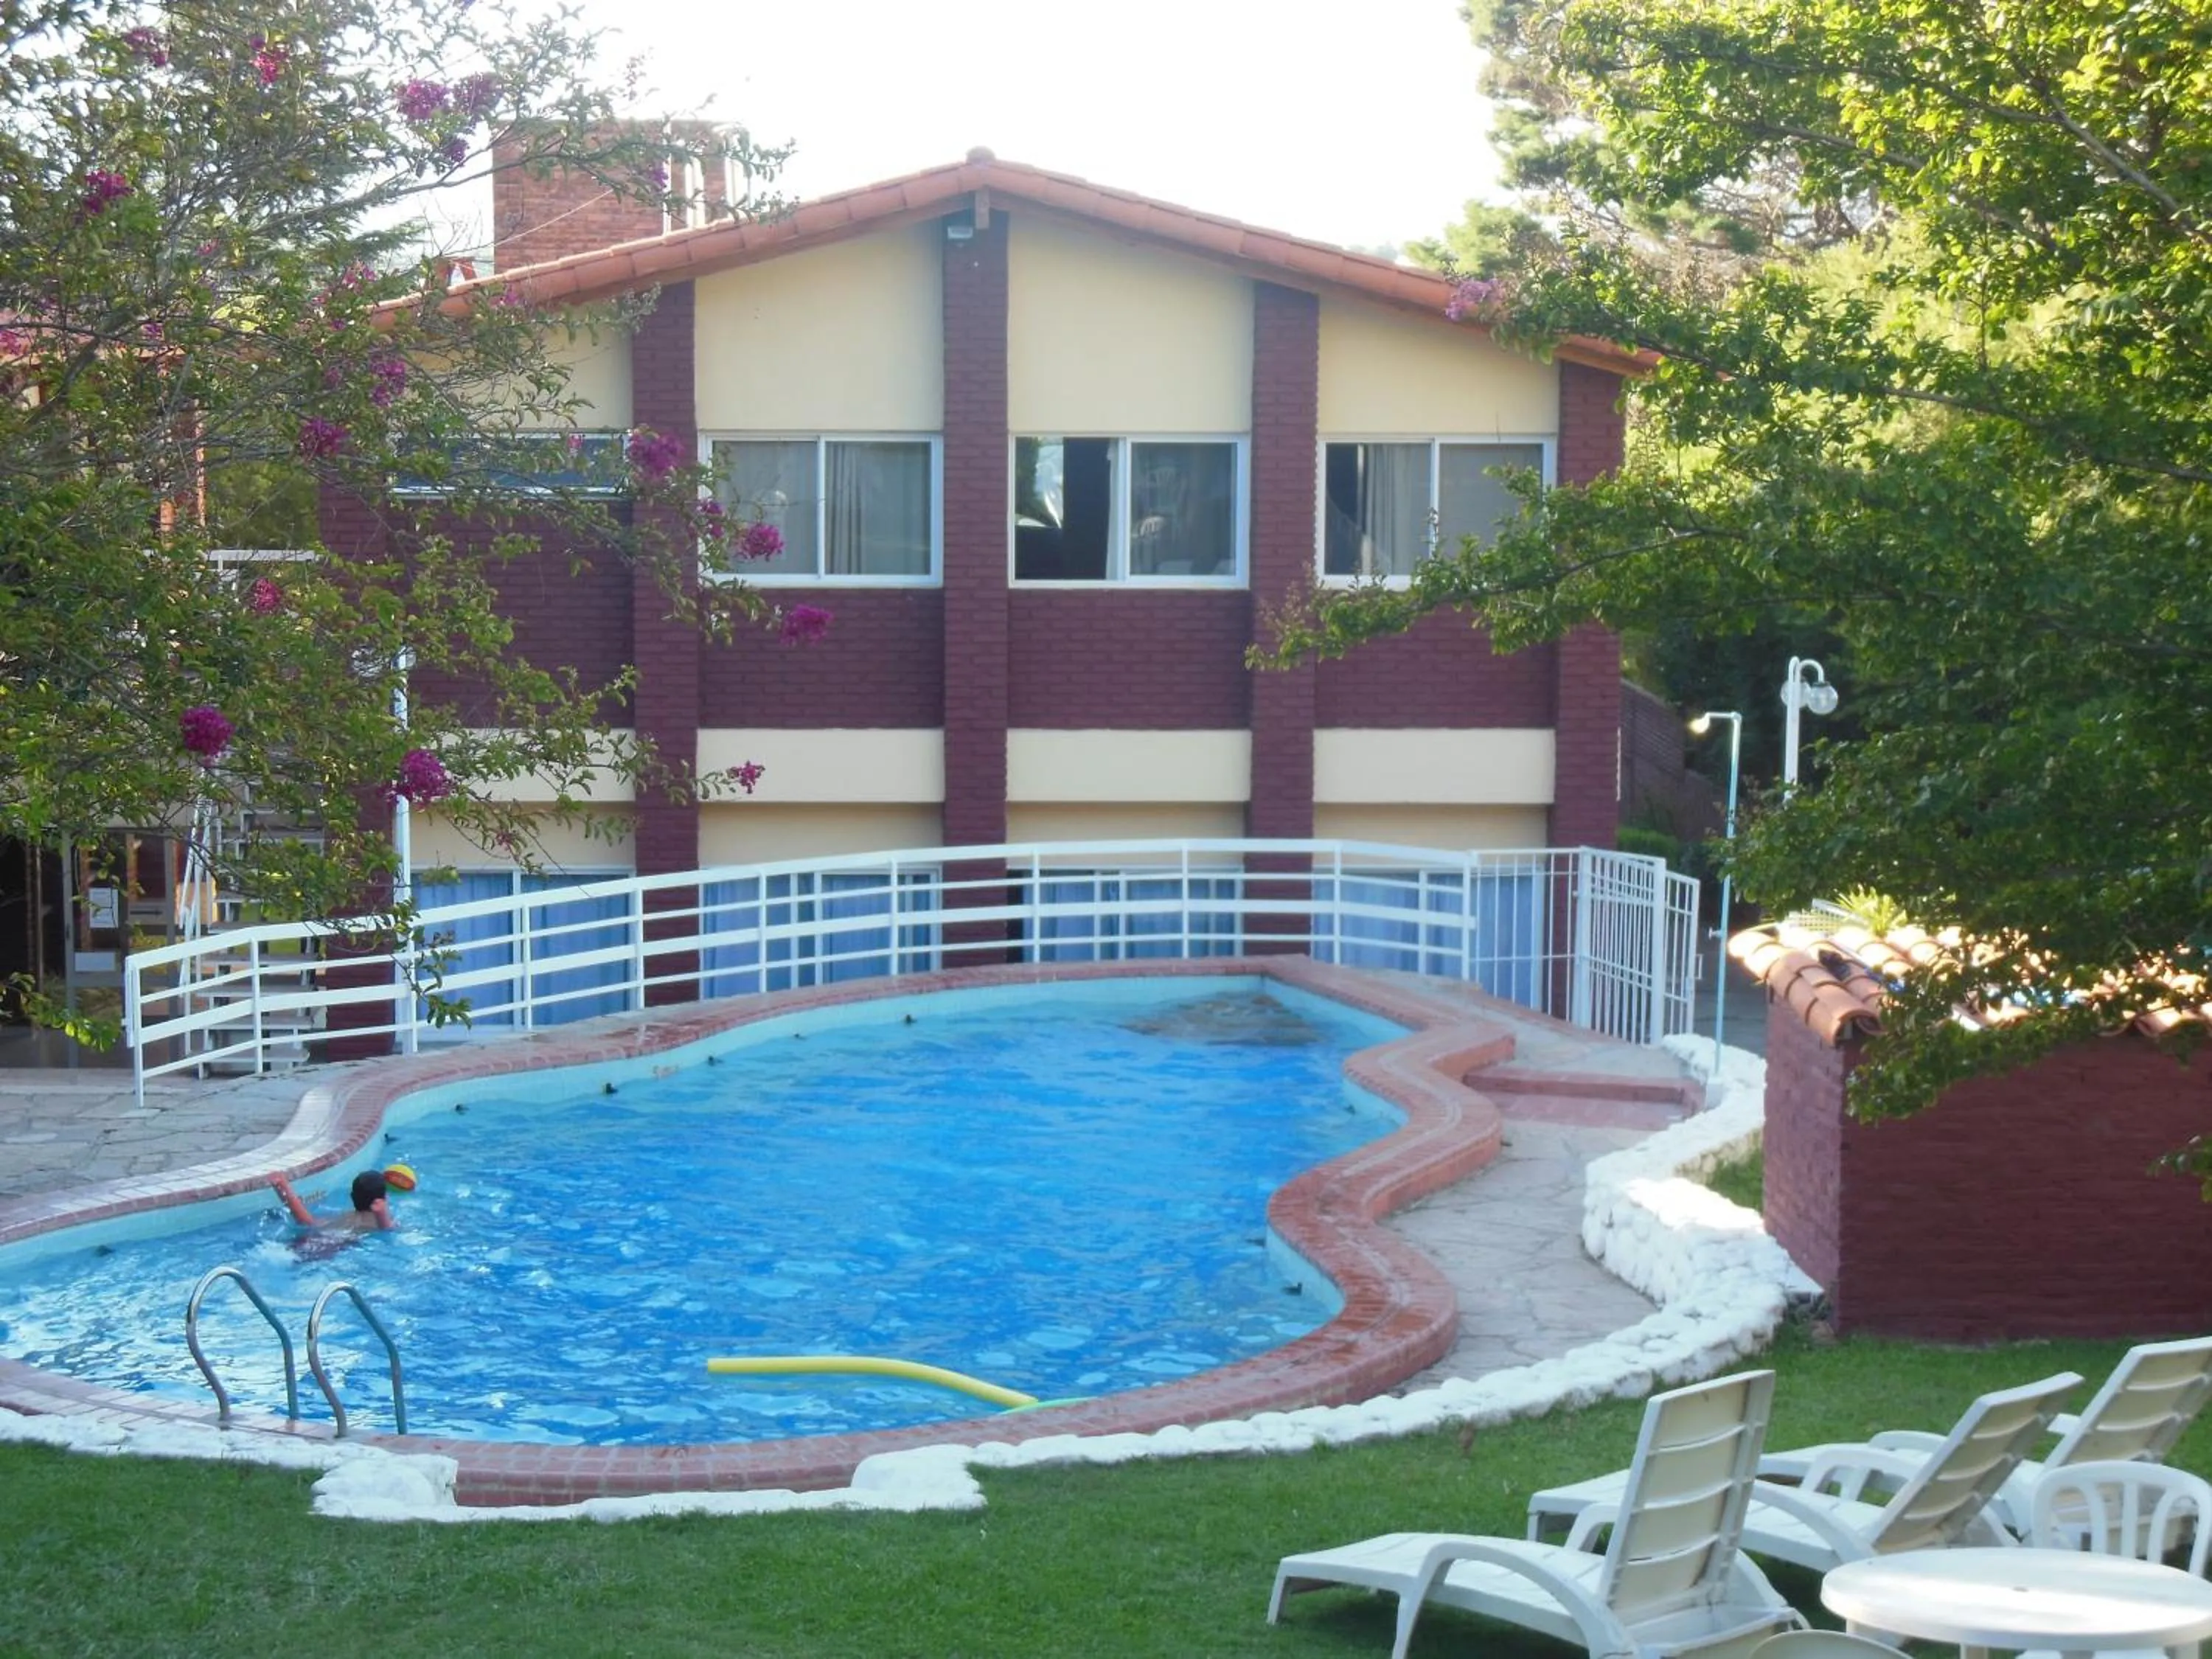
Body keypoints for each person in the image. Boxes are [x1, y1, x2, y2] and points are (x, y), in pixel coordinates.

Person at [271, 1168, 403, 1232]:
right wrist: (382, 1214)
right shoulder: (375, 1220)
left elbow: (307, 1222)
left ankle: (282, 1187)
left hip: (317, 1239)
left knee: (310, 1224)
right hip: (334, 1246)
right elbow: (387, 1229)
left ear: (352, 1197)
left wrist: (284, 1188)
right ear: (384, 1198)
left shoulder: (345, 1217)